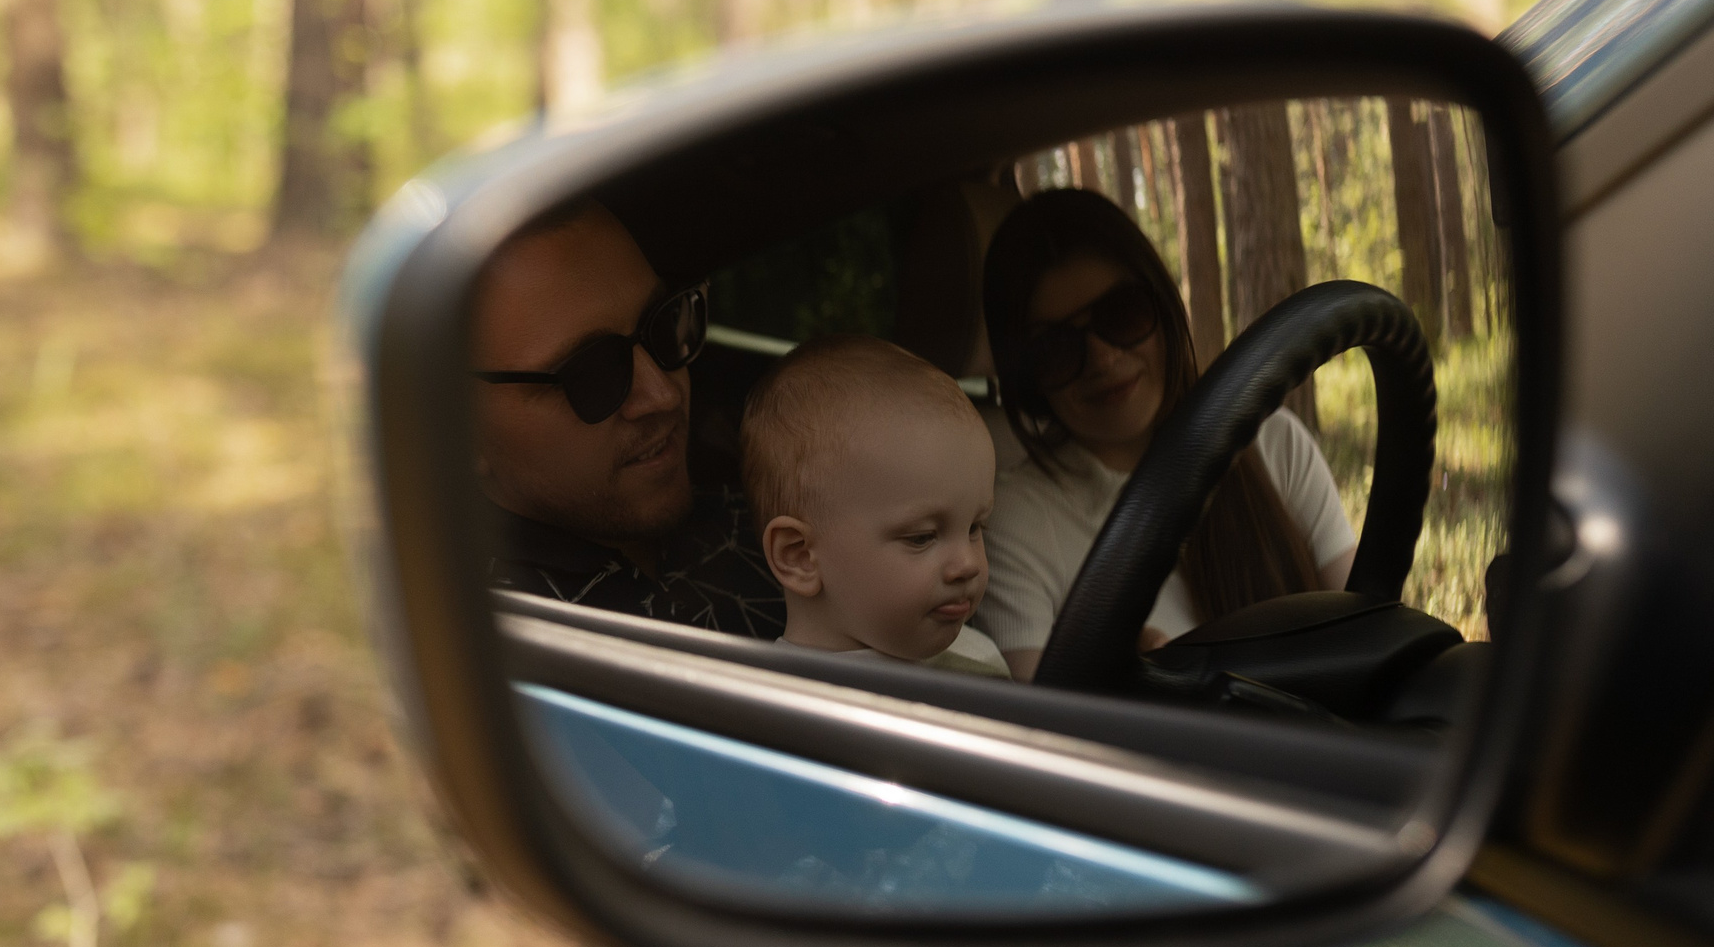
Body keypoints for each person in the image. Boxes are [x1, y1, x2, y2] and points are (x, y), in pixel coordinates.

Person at [978, 187, 1355, 682]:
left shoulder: (1273, 442)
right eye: (1056, 347)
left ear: (1162, 304)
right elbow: (1046, 733)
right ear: (1027, 373)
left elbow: (1368, 622)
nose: (1103, 359)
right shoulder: (1016, 523)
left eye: (1122, 314)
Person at [473, 200, 785, 638]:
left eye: (663, 321)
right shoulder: (491, 630)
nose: (663, 394)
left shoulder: (773, 507)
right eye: (591, 374)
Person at [738, 335, 1010, 677]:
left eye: (975, 528)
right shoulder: (778, 707)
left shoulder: (980, 660)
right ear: (800, 556)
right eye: (921, 537)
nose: (969, 564)